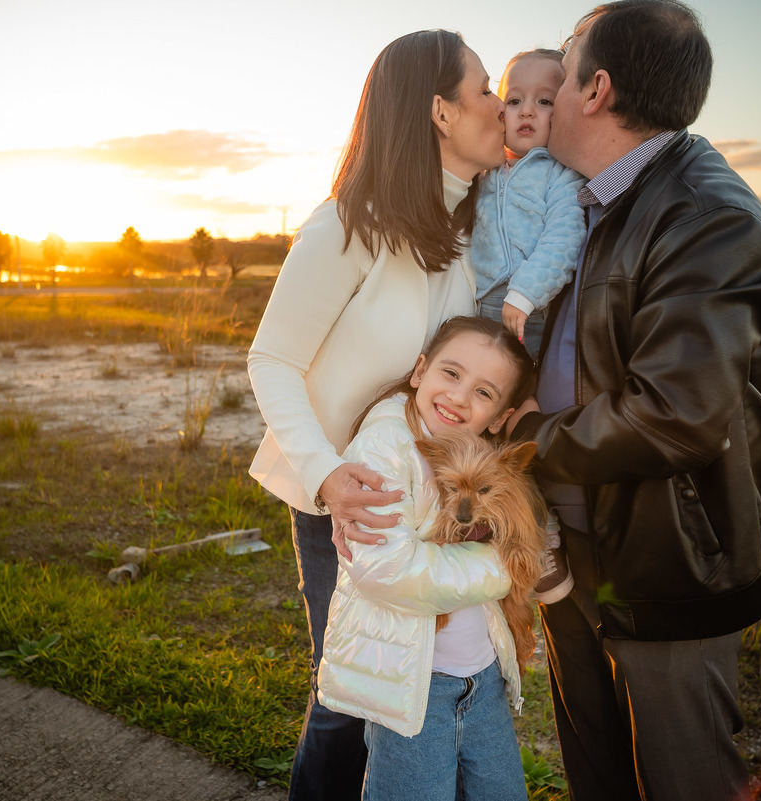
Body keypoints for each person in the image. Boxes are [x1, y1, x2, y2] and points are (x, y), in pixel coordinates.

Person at [506, 2, 761, 800]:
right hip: (579, 549)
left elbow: (675, 412)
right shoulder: (594, 199)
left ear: (596, 90)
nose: (545, 99)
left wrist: (530, 435)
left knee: (678, 781)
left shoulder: (707, 217)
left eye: (559, 78)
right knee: (598, 776)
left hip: (667, 563)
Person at [245, 29, 505, 800]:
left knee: (415, 690)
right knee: (349, 699)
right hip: (346, 495)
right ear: (439, 112)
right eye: (486, 90)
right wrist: (326, 477)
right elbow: (271, 361)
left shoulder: (469, 230)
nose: (500, 107)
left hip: (429, 496)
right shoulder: (347, 224)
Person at [317, 316, 536, 801]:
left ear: (501, 416)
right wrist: (510, 568)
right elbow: (388, 570)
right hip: (413, 686)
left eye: (484, 393)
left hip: (482, 678)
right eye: (451, 374)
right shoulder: (384, 448)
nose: (459, 398)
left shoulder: (483, 455)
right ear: (419, 371)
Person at [470, 47, 588, 604]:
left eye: (544, 101)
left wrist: (525, 293)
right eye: (513, 98)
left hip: (528, 325)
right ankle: (479, 530)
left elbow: (565, 239)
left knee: (517, 434)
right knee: (476, 431)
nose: (524, 111)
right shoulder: (490, 170)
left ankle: (541, 538)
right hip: (479, 322)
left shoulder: (559, 178)